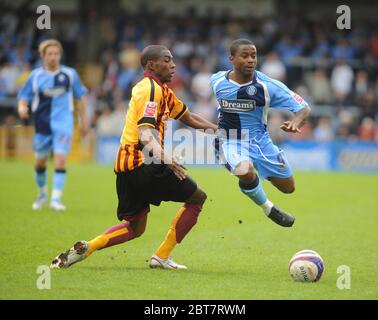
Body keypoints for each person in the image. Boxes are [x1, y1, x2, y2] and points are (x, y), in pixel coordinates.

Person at [50, 45, 218, 270]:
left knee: (135, 228)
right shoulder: (151, 90)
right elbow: (145, 133)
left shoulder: (160, 90)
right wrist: (164, 157)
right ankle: (162, 256)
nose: (173, 65)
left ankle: (89, 247)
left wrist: (218, 130)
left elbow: (188, 117)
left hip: (125, 166)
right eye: (167, 60)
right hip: (145, 162)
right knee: (197, 197)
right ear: (151, 64)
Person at [210, 39, 311, 227]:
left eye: (254, 56)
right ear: (232, 59)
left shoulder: (267, 86)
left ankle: (249, 173)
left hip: (261, 142)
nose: (251, 60)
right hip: (230, 140)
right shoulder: (217, 81)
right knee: (245, 170)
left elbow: (304, 108)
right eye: (245, 55)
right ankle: (268, 208)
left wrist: (296, 121)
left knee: (288, 188)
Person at [17, 39, 88, 211]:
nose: (53, 57)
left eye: (56, 54)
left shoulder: (70, 75)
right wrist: (22, 108)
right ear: (42, 56)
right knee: (40, 162)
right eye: (50, 54)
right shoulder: (35, 76)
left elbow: (82, 97)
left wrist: (84, 121)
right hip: (42, 124)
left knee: (61, 160)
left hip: (64, 124)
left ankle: (55, 199)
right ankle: (42, 194)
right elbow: (24, 96)